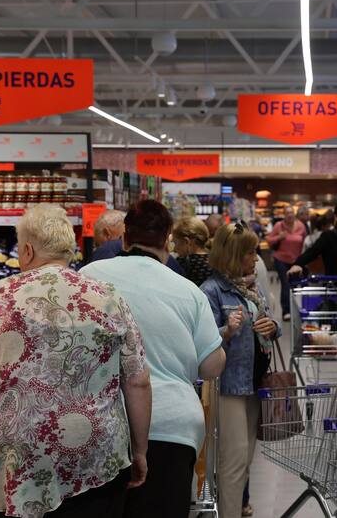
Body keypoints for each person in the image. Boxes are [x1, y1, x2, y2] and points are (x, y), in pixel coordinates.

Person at [0, 204, 152, 518]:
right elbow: (137, 380)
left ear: (26, 250)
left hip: (12, 457)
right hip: (91, 457)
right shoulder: (107, 296)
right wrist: (139, 451)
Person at [81, 200, 226, 518]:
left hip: (100, 424)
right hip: (170, 426)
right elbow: (211, 365)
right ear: (167, 240)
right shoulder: (188, 291)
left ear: (124, 237)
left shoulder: (85, 278)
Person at [200, 222, 280, 518]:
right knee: (232, 462)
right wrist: (226, 331)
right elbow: (202, 344)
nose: (255, 258)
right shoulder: (211, 292)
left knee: (244, 460)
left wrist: (272, 326)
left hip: (253, 384)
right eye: (250, 252)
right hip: (228, 386)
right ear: (233, 255)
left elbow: (273, 321)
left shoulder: (250, 288)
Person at [93, 208, 187, 276]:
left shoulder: (99, 261)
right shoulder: (188, 289)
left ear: (107, 233)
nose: (99, 247)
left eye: (97, 244)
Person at [288, 203, 337, 278]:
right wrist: (297, 264)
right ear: (336, 217)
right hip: (334, 285)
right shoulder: (328, 237)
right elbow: (313, 252)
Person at [266, 206, 307, 321]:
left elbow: (305, 242)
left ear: (294, 214)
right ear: (284, 215)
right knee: (285, 284)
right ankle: (286, 311)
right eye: (287, 213)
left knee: (294, 285)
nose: (289, 215)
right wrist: (279, 237)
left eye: (291, 213)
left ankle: (295, 308)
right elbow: (269, 240)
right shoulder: (279, 226)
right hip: (281, 260)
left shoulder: (301, 226)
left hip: (296, 261)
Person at [173, 216, 214, 286]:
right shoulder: (216, 261)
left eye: (176, 243)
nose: (175, 248)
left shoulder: (182, 264)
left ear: (187, 242)